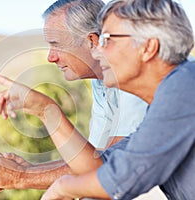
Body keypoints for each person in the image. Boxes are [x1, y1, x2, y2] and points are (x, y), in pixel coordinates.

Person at [0, 0, 149, 195]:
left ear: (92, 42)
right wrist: (29, 170)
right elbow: (93, 158)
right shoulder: (101, 80)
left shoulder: (134, 76)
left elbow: (108, 171)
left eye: (56, 45)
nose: (50, 57)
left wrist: (22, 177)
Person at [39, 0, 195, 199]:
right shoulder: (163, 102)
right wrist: (44, 110)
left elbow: (121, 179)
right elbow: (101, 165)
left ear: (148, 47)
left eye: (107, 41)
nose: (97, 50)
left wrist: (63, 187)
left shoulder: (183, 87)